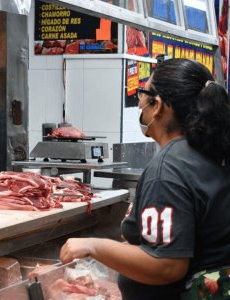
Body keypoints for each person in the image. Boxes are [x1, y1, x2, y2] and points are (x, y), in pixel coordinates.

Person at [60, 58, 230, 299]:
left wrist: (92, 246)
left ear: (158, 105)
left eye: (142, 93)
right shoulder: (212, 152)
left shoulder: (169, 169)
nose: (139, 103)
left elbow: (168, 265)